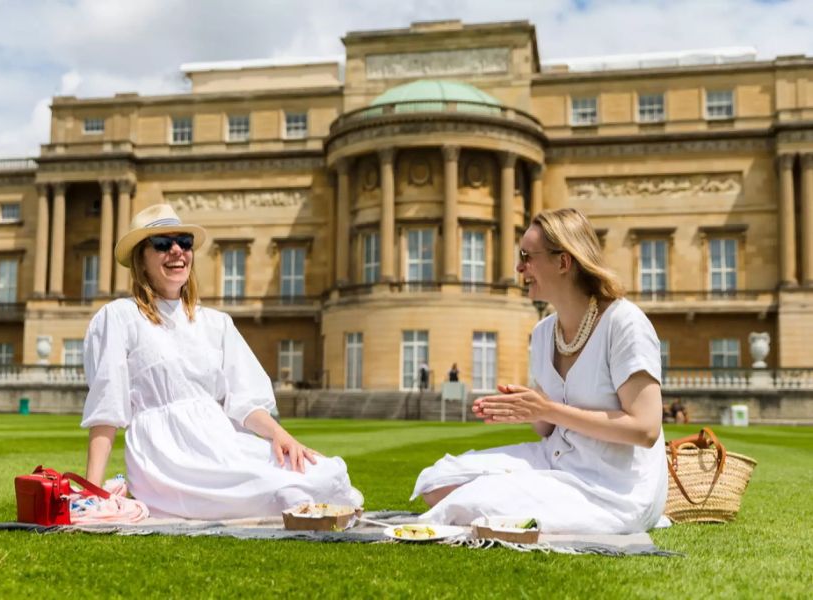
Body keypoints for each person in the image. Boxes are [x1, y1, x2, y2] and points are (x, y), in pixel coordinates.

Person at [81, 203, 362, 520]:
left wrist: (281, 436)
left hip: (221, 442)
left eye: (184, 243)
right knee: (285, 494)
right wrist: (93, 494)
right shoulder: (119, 317)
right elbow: (107, 406)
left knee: (325, 475)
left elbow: (243, 400)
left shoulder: (216, 323)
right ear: (141, 260)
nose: (177, 251)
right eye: (162, 244)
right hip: (166, 456)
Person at [410, 208, 667, 534]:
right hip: (555, 458)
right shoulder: (545, 332)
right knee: (437, 482)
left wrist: (548, 408)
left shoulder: (624, 323)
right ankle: (527, 490)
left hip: (614, 487)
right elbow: (547, 427)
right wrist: (527, 409)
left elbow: (645, 430)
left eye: (528, 257)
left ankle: (525, 494)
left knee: (467, 504)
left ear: (563, 262)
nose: (519, 268)